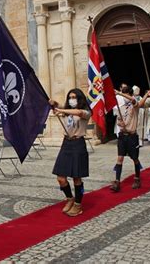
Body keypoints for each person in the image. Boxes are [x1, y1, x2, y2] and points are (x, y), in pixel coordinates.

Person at [49, 88, 91, 217]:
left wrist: (61, 110)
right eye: (70, 97)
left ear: (80, 98)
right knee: (61, 177)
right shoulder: (67, 111)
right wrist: (55, 104)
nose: (72, 100)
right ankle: (69, 198)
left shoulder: (86, 112)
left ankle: (78, 204)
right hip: (66, 143)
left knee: (76, 177)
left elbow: (77, 112)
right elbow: (61, 107)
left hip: (78, 144)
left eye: (74, 97)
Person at [110, 88, 142, 192]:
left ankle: (137, 178)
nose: (123, 97)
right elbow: (118, 121)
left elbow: (133, 100)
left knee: (134, 158)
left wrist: (119, 93)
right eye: (122, 95)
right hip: (122, 136)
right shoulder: (121, 107)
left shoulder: (134, 106)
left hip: (132, 136)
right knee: (120, 159)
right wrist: (121, 124)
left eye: (125, 95)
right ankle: (117, 181)